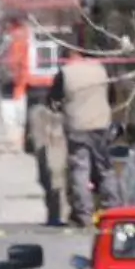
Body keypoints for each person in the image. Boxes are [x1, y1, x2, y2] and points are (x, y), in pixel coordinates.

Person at [45, 51, 114, 227]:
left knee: (80, 170)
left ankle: (85, 214)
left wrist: (61, 107)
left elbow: (52, 99)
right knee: (105, 169)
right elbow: (112, 96)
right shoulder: (101, 70)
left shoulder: (66, 72)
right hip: (101, 124)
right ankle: (112, 209)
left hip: (77, 126)